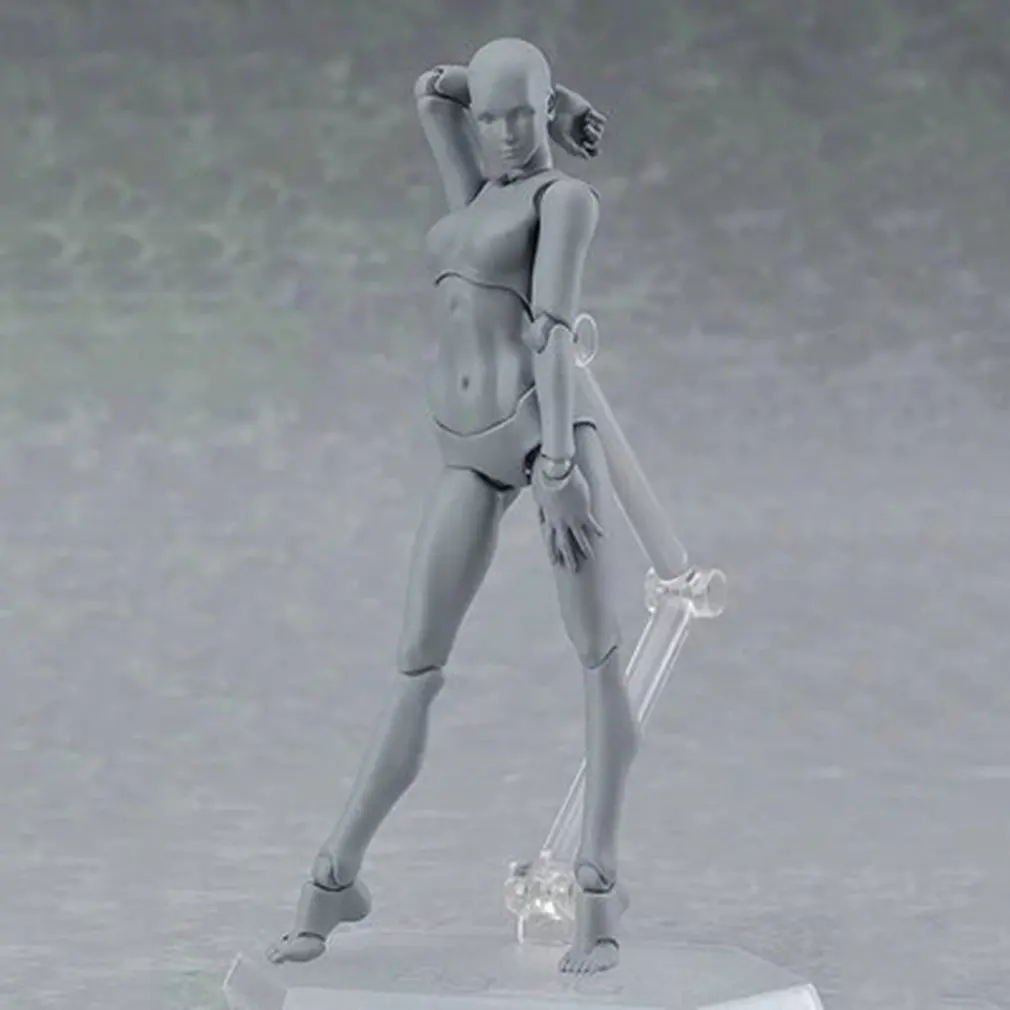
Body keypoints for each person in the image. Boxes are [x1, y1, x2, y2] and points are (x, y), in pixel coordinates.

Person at [266, 37, 639, 976]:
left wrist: (561, 466)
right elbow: (433, 89)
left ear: (540, 113)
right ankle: (336, 877)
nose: (505, 133)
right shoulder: (474, 194)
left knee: (598, 658)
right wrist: (550, 97)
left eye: (523, 116)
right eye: (494, 118)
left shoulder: (564, 200)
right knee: (416, 666)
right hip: (466, 454)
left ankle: (600, 892)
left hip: (544, 437)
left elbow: (552, 331)